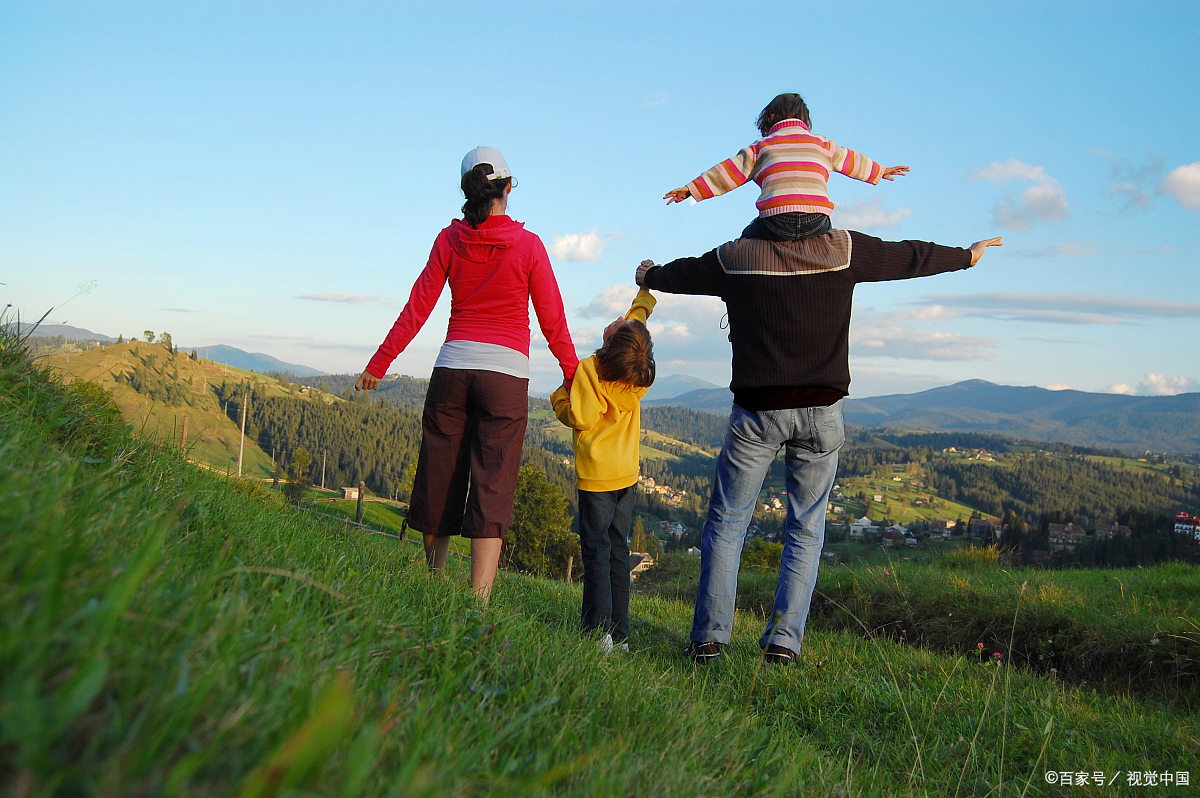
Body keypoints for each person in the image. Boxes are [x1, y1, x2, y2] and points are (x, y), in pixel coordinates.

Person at [636, 230, 1002, 664]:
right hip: (822, 411)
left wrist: (651, 275)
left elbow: (686, 273)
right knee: (806, 529)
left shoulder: (739, 255)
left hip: (757, 410)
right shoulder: (843, 248)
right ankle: (783, 644)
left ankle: (709, 639)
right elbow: (907, 257)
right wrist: (966, 255)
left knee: (729, 522)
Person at [355, 146, 578, 604]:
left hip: (453, 368)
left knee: (441, 473)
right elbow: (553, 318)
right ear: (508, 188)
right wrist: (573, 374)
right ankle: (477, 601)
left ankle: (433, 581)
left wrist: (379, 364)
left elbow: (418, 306)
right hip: (506, 376)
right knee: (493, 483)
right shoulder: (529, 245)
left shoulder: (448, 240)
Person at [550, 289, 656, 653]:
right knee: (617, 551)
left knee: (595, 551)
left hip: (596, 479)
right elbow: (636, 322)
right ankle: (620, 634)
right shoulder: (634, 371)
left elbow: (577, 416)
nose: (618, 320)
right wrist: (643, 293)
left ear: (609, 346)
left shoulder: (591, 374)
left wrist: (558, 398)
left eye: (618, 326)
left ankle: (597, 633)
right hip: (626, 476)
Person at [663, 92, 908, 242]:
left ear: (769, 118)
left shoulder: (761, 147)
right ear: (805, 120)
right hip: (818, 222)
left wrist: (691, 189)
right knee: (829, 236)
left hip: (775, 222)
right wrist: (880, 170)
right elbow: (852, 160)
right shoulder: (822, 144)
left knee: (746, 238)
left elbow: (727, 173)